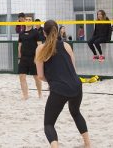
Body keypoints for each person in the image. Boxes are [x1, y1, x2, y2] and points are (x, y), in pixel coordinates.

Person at [35, 20, 91, 148]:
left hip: (59, 89)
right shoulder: (66, 45)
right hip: (76, 86)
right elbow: (73, 70)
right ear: (58, 30)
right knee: (76, 112)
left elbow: (40, 76)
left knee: (48, 124)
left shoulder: (40, 49)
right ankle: (88, 144)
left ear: (44, 33)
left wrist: (53, 81)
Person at [18, 17, 43, 100]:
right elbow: (20, 46)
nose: (28, 21)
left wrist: (37, 58)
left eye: (30, 20)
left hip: (33, 58)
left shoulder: (36, 33)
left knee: (36, 77)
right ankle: (25, 95)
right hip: (23, 58)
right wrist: (19, 57)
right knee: (21, 77)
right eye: (27, 20)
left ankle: (40, 94)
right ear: (24, 22)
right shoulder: (21, 33)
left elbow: (39, 46)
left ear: (32, 22)